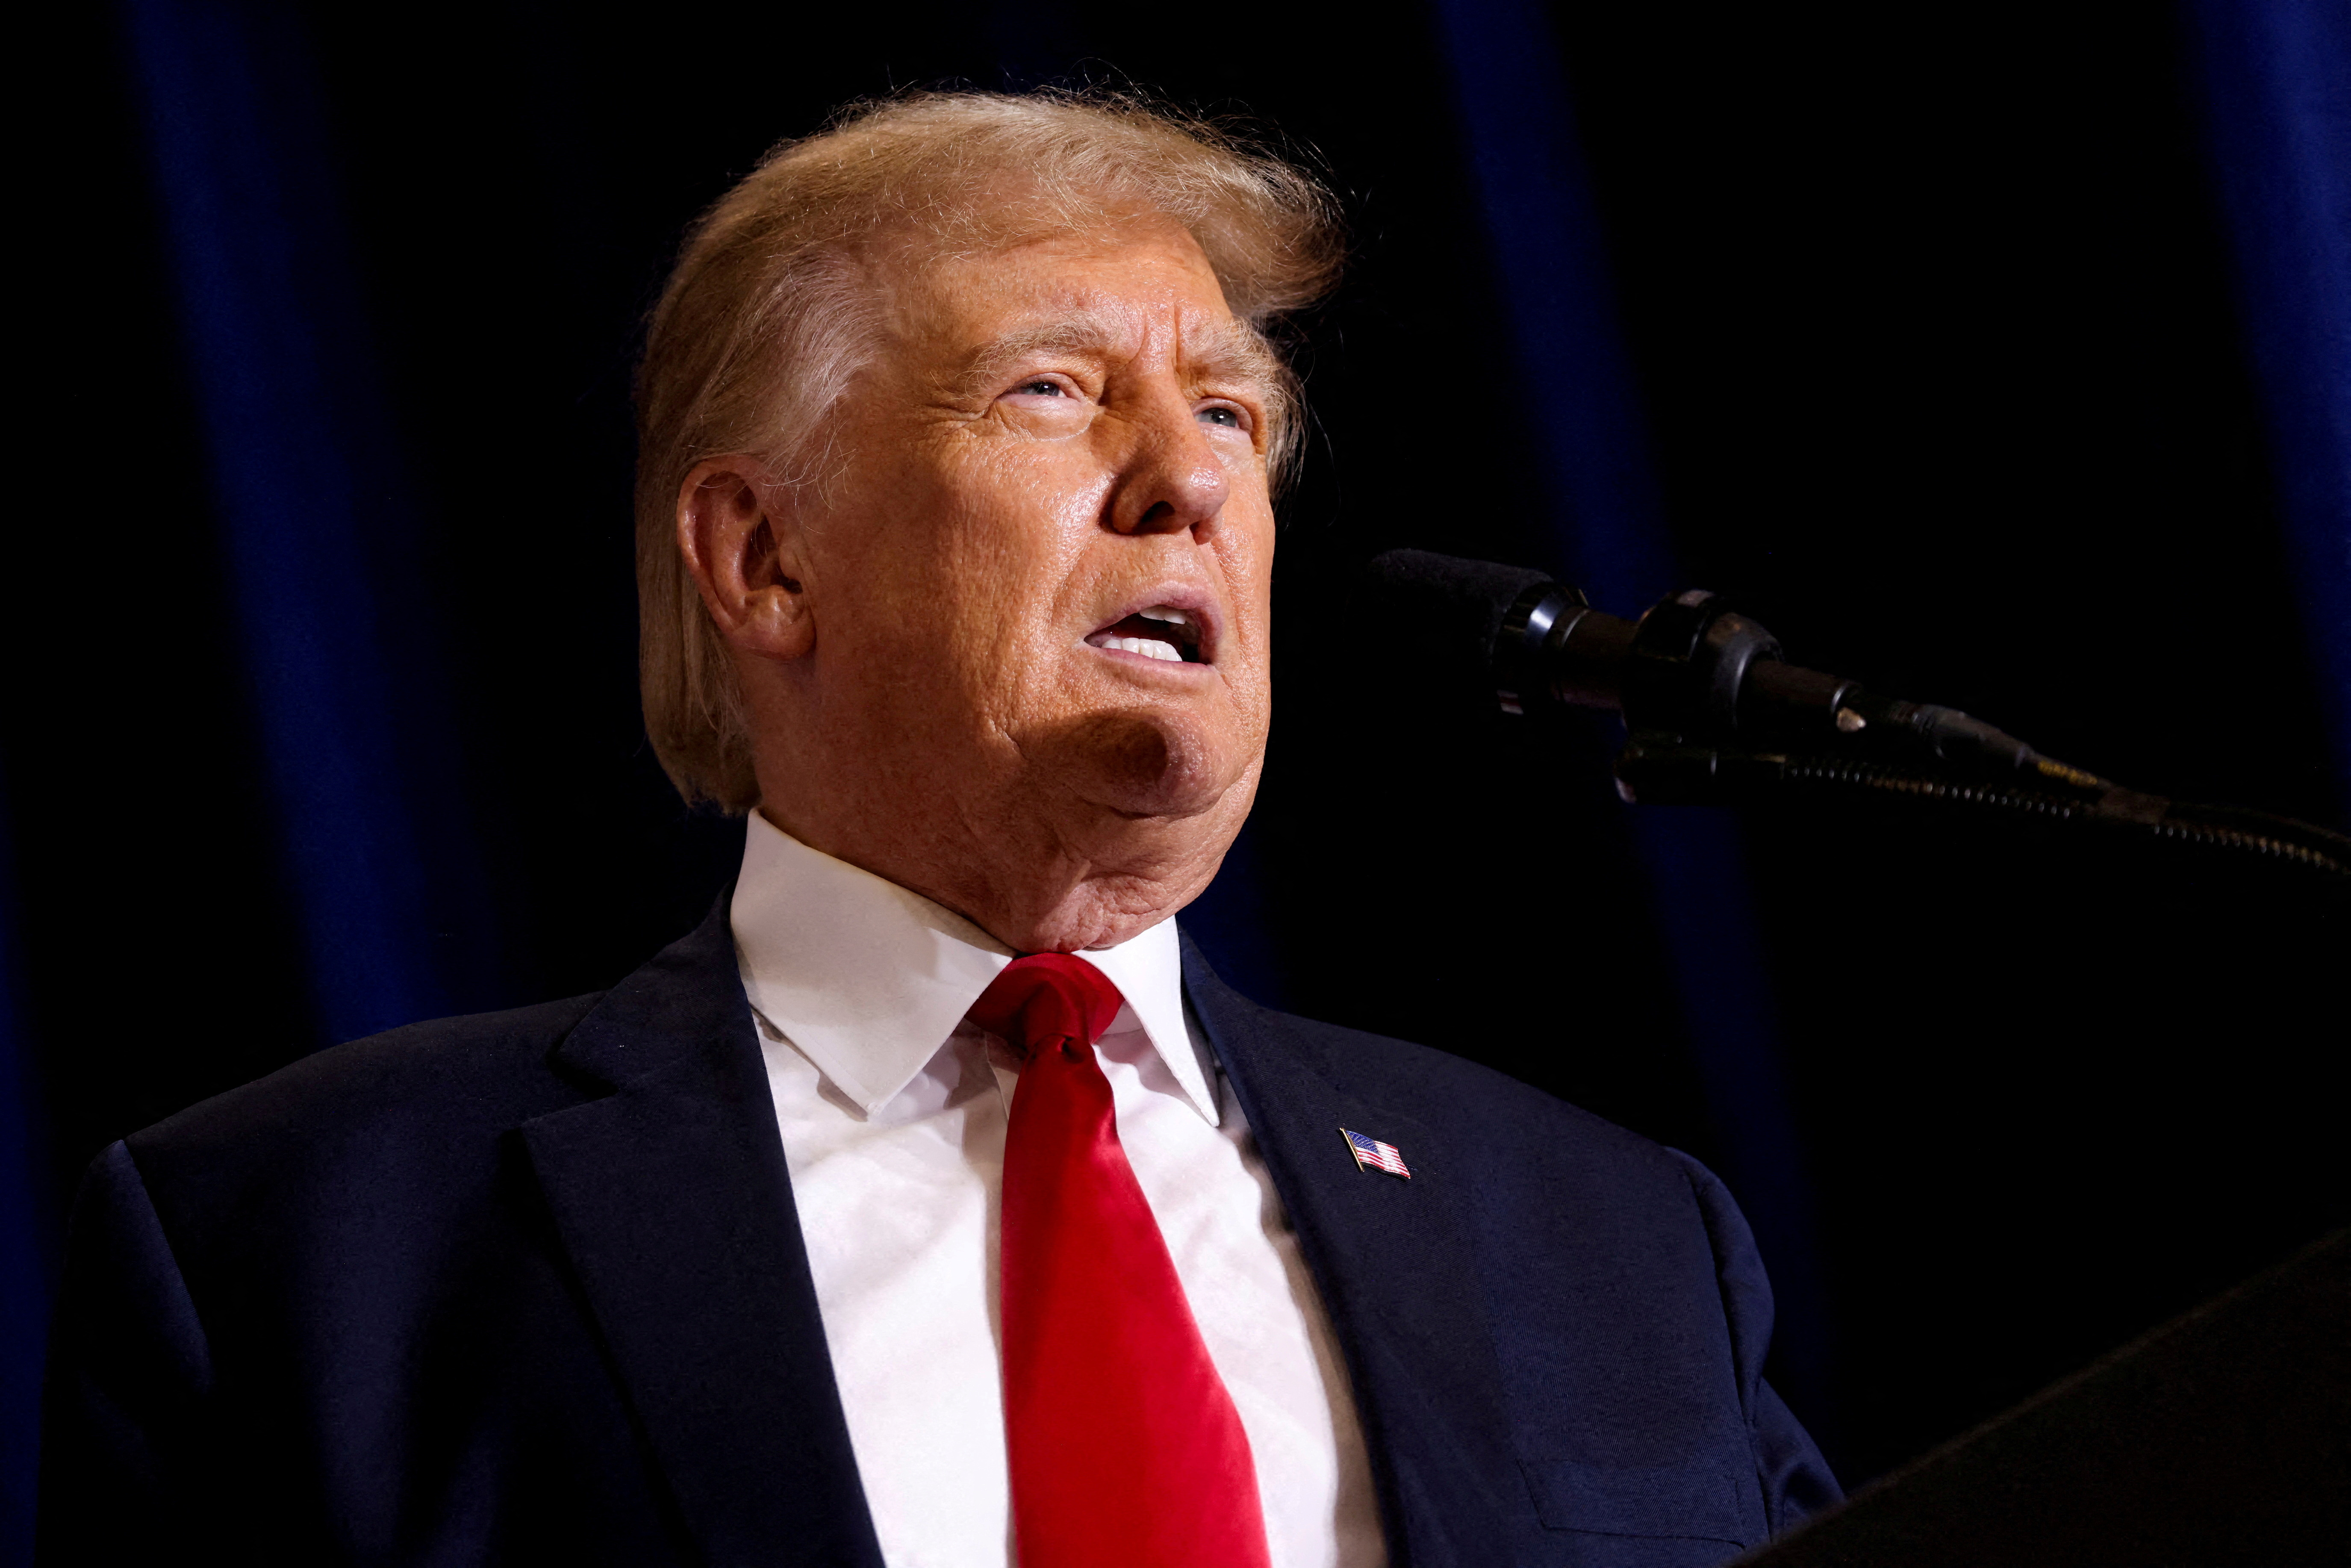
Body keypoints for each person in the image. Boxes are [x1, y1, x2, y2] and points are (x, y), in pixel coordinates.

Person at [38, 91, 1838, 1567]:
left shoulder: (1616, 1242)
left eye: (1227, 411)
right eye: (1054, 388)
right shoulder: (309, 1255)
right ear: (766, 557)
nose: (1191, 479)